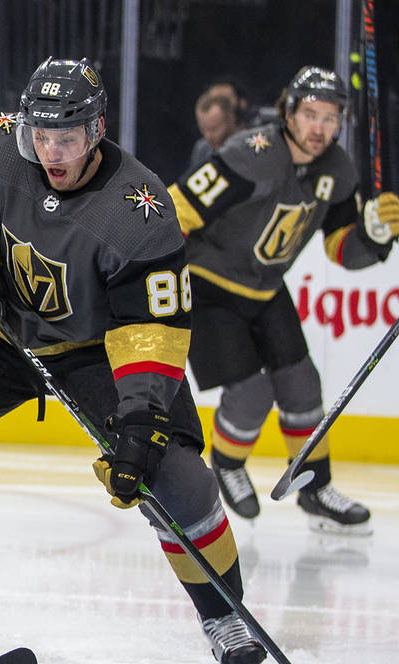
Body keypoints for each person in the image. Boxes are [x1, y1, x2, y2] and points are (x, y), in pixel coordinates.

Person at [0, 56, 269, 664]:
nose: (53, 151)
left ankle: (224, 613)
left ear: (98, 130)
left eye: (70, 138)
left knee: (177, 478)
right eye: (42, 135)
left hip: (99, 347)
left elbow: (154, 330)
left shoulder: (140, 210)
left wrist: (138, 421)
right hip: (2, 327)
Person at [167, 66, 398, 536]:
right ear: (288, 111)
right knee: (252, 393)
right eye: (311, 114)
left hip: (266, 288)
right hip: (209, 285)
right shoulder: (251, 155)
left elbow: (340, 249)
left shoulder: (338, 170)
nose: (320, 129)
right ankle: (228, 464)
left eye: (331, 119)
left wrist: (373, 237)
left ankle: (314, 488)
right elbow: (179, 207)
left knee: (302, 385)